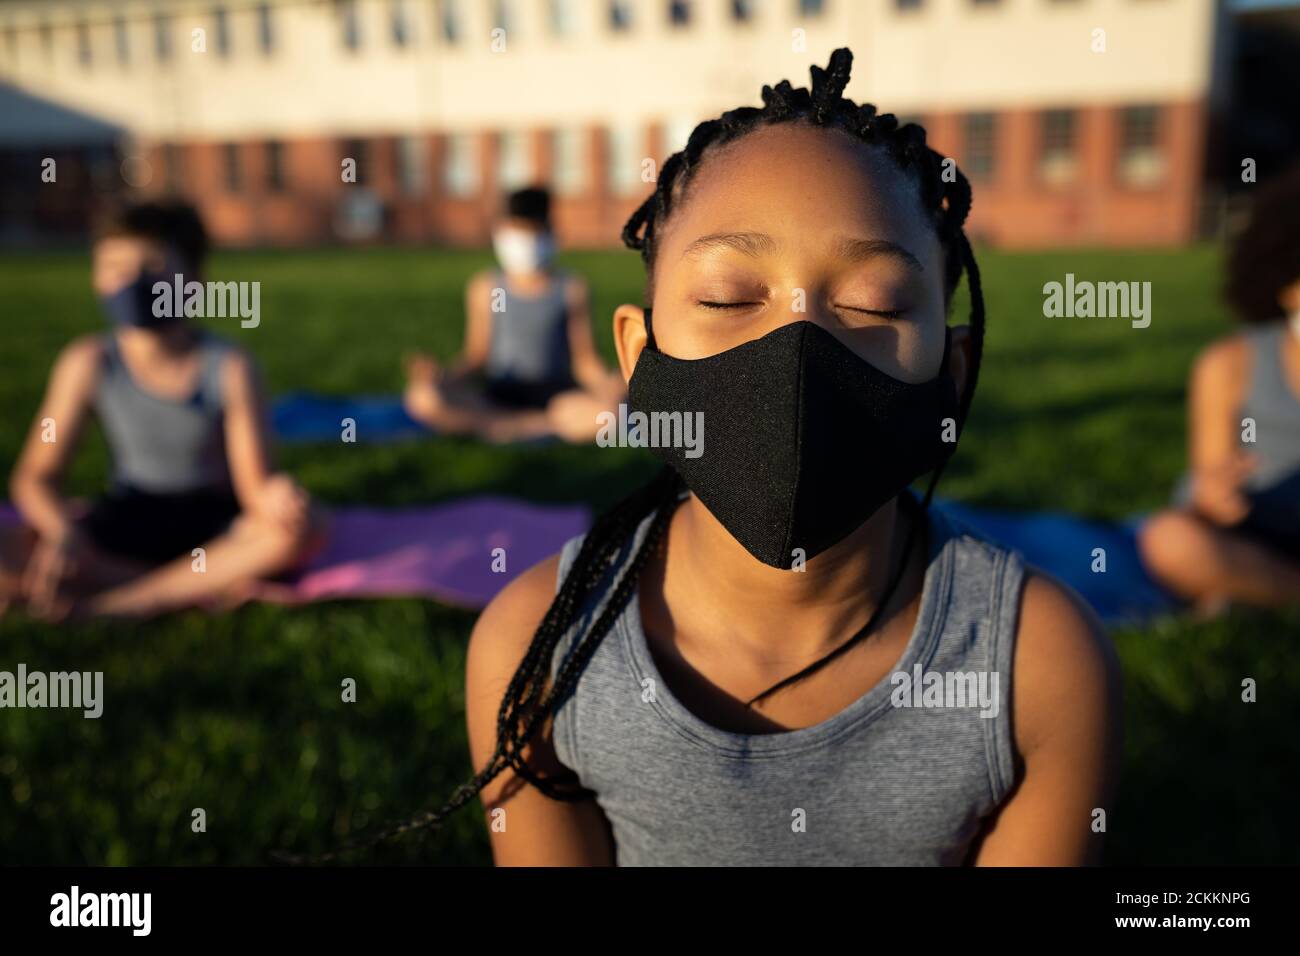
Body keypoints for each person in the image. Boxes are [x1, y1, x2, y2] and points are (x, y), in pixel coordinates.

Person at [338, 50, 1121, 866]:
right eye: (725, 298)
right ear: (640, 357)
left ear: (952, 376)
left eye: (874, 302)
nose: (795, 349)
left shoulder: (1039, 664)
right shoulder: (536, 649)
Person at [0, 201, 324, 620]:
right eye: (114, 266)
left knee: (303, 528)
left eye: (151, 265)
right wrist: (63, 531)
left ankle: (124, 602)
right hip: (128, 519)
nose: (131, 281)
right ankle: (192, 585)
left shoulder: (229, 368)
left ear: (194, 280)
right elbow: (35, 475)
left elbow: (253, 485)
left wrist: (276, 496)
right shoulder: (87, 363)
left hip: (213, 530)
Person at [1138, 167, 1300, 610]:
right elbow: (1209, 487)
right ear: (1285, 285)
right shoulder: (1229, 364)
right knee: (1171, 541)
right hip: (1249, 536)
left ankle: (1253, 594)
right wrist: (1217, 498)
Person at [402, 186, 624, 443]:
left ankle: (513, 427)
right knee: (422, 399)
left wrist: (609, 385)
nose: (524, 242)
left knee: (610, 412)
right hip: (498, 396)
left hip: (555, 398)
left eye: (531, 232)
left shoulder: (571, 289)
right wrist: (442, 378)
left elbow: (584, 361)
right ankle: (530, 426)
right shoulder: (485, 287)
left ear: (549, 232)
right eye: (516, 232)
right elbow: (477, 356)